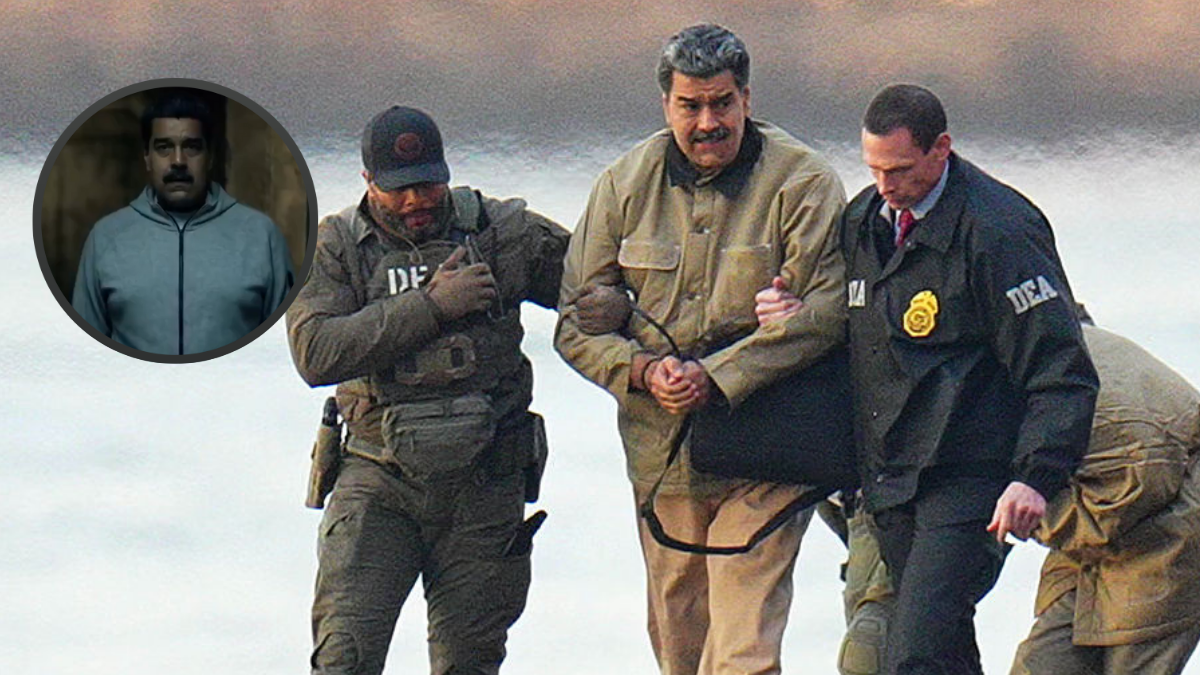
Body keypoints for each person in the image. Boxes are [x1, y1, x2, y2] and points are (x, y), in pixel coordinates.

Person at [760, 83, 1098, 674]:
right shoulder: (864, 221)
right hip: (890, 477)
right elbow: (852, 332)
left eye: (899, 170)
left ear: (941, 149)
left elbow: (1061, 369)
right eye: (874, 169)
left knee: (913, 652)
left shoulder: (998, 231)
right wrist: (797, 317)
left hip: (972, 477)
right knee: (942, 651)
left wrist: (1034, 477)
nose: (885, 186)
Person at [555, 24, 848, 674]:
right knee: (681, 654)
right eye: (691, 106)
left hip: (770, 454)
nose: (708, 122)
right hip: (664, 462)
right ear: (666, 104)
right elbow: (574, 327)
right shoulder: (622, 186)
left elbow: (828, 314)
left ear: (747, 98)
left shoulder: (804, 183)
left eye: (722, 103)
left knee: (743, 654)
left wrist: (716, 376)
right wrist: (640, 370)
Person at [286, 106, 570, 675]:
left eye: (428, 185)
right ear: (368, 182)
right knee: (344, 658)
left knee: (468, 662)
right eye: (399, 189)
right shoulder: (336, 247)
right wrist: (431, 307)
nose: (416, 200)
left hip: (484, 483)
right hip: (378, 482)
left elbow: (597, 276)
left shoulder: (500, 231)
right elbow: (315, 353)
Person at [1010, 318, 1200, 674]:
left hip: (1168, 532)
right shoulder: (1040, 339)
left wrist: (1023, 509)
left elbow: (1134, 482)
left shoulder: (1085, 393)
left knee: (1135, 661)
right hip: (1090, 540)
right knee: (1042, 662)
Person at [71, 89, 294, 355]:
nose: (178, 161)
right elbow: (83, 352)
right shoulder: (106, 237)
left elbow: (284, 349)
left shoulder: (261, 236)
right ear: (147, 157)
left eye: (192, 147)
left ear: (210, 157)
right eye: (164, 147)